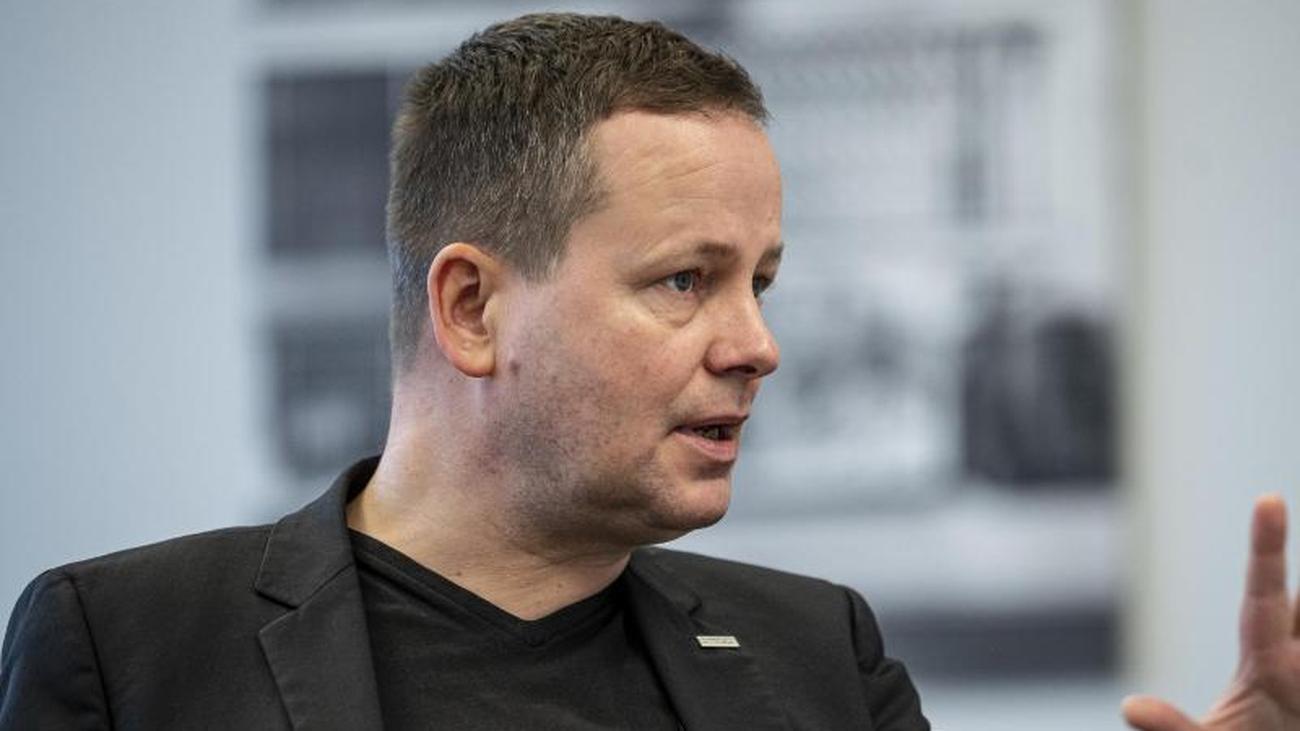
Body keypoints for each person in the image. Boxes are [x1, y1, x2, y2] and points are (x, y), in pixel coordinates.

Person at [0, 12, 1295, 731]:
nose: (757, 345)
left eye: (760, 282)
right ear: (471, 309)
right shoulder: (130, 652)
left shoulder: (818, 661)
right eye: (686, 280)